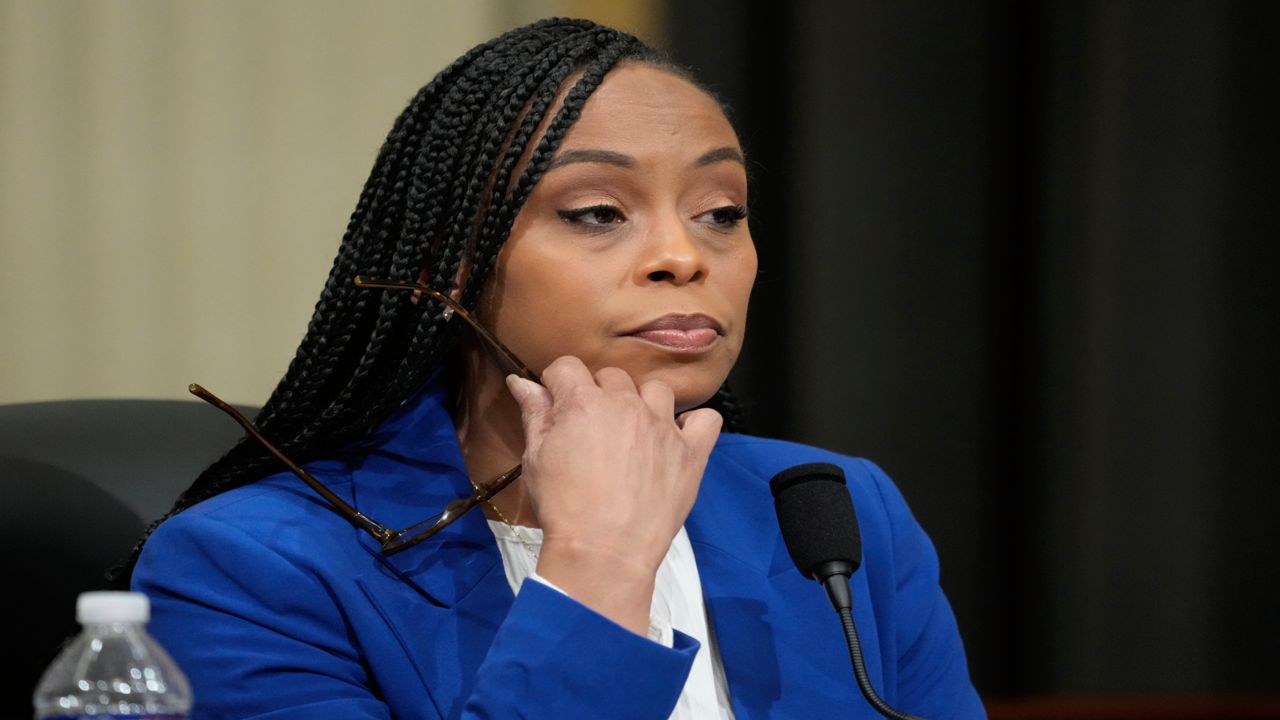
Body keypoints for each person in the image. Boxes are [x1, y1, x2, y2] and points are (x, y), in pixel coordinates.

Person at [124, 18, 984, 720]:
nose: (684, 256)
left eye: (721, 213)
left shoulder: (835, 513)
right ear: (445, 264)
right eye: (598, 212)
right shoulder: (246, 571)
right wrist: (600, 563)